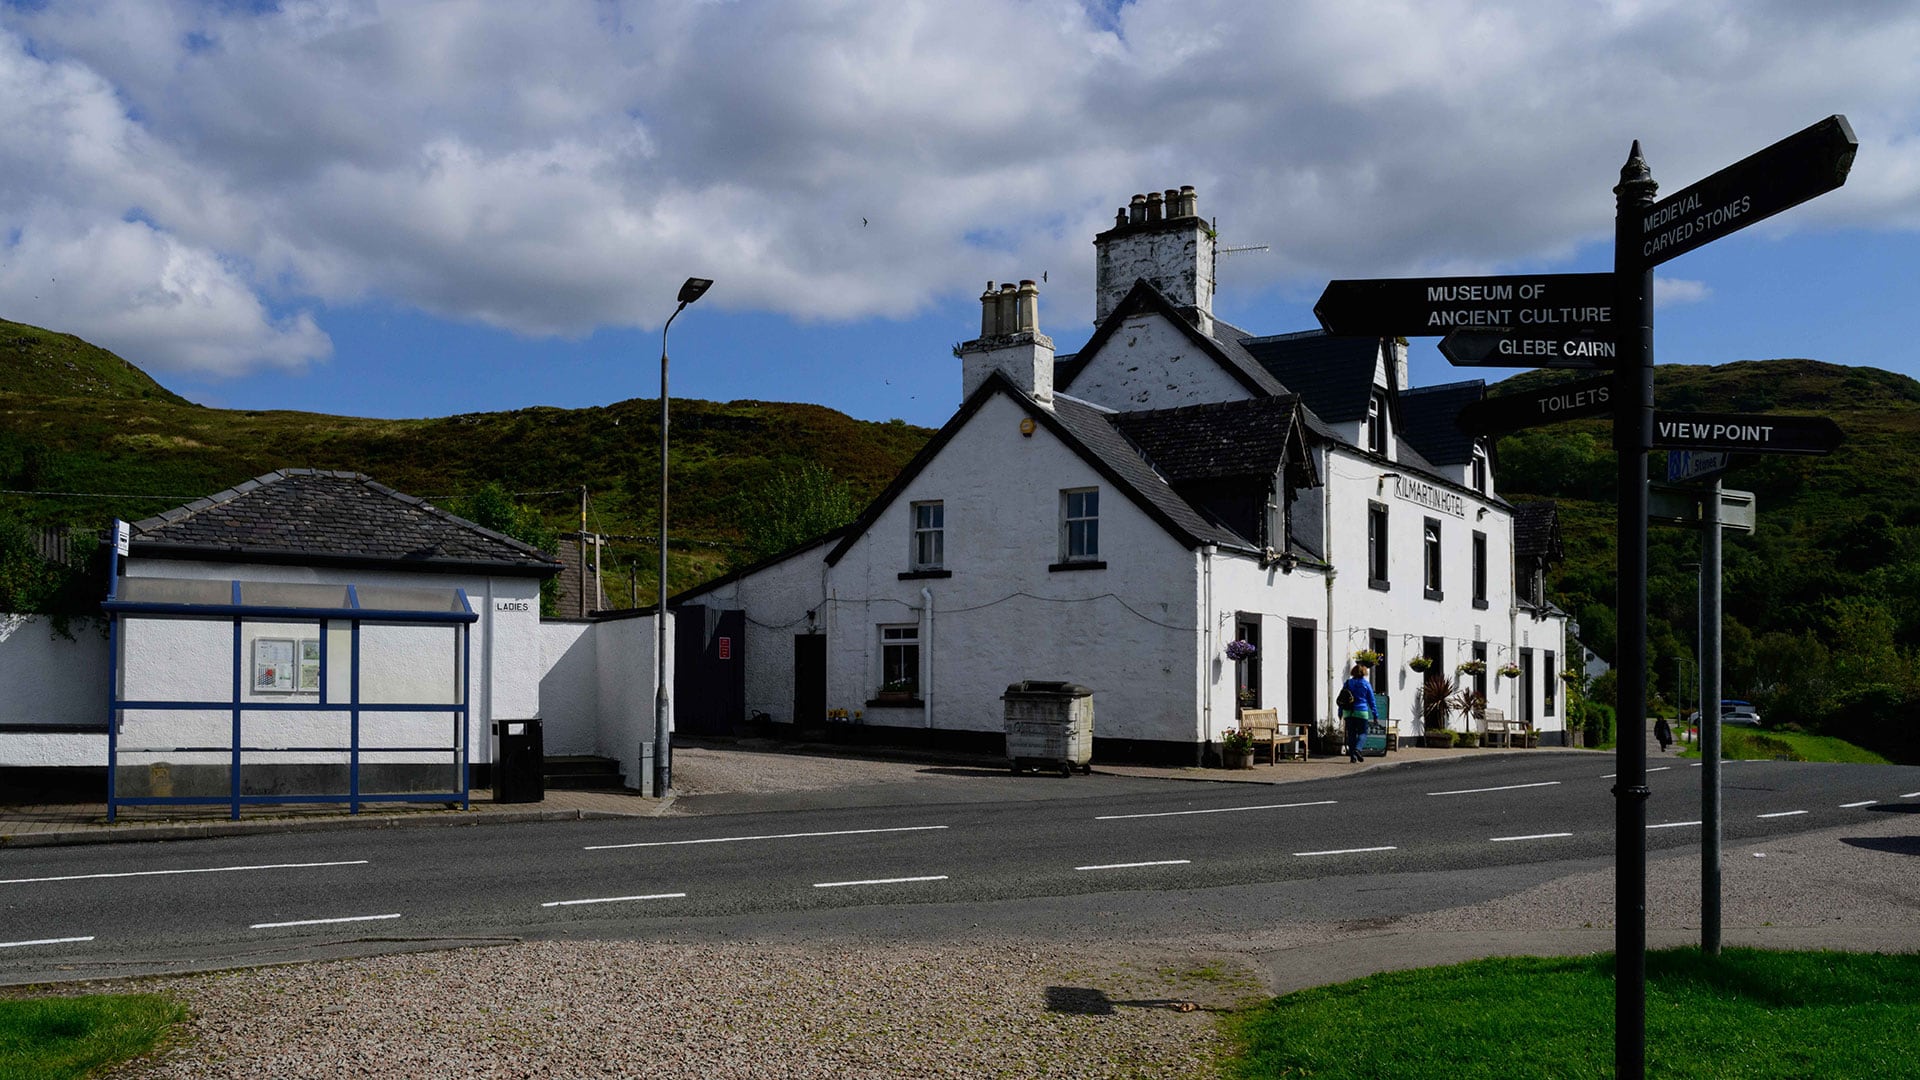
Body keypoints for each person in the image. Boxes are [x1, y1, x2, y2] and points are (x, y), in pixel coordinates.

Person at [1340, 664, 1377, 763]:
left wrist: (1340, 712)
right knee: (1363, 733)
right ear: (1364, 673)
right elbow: (1371, 700)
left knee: (1351, 735)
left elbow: (1342, 697)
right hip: (1361, 711)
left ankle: (1353, 757)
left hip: (1348, 712)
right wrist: (1375, 714)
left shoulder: (1347, 683)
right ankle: (1358, 749)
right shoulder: (1366, 684)